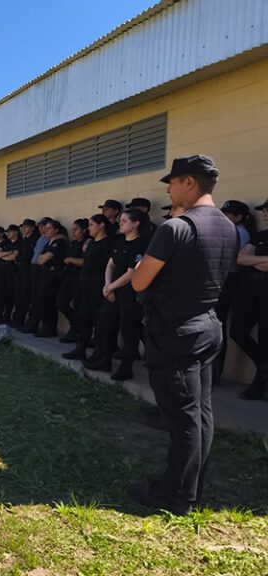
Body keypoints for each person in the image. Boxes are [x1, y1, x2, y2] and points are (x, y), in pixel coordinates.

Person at [128, 155, 238, 516]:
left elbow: (140, 280)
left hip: (176, 331)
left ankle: (176, 496)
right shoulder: (227, 226)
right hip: (208, 324)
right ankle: (190, 486)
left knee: (182, 418)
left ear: (189, 183)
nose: (170, 189)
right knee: (200, 413)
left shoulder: (175, 228)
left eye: (172, 183)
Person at [91, 209, 150, 378]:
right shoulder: (119, 241)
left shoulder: (141, 244)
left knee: (128, 330)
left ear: (136, 224)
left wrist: (111, 288)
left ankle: (126, 367)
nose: (120, 223)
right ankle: (104, 359)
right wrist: (108, 286)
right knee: (105, 325)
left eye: (124, 221)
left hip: (129, 294)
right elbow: (110, 264)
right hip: (113, 291)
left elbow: (132, 273)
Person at [213, 200, 255, 387]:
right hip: (224, 279)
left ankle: (214, 373)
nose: (224, 216)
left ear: (238, 217)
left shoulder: (240, 232)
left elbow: (232, 259)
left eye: (228, 214)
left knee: (216, 327)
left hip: (229, 280)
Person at [230, 198, 268, 399]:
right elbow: (241, 258)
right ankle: (264, 365)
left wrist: (254, 261)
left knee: (265, 338)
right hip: (249, 291)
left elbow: (249, 260)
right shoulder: (259, 236)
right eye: (264, 210)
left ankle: (259, 383)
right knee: (237, 330)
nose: (265, 213)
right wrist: (263, 261)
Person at [62, 215, 113, 361]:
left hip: (98, 288)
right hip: (85, 286)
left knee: (99, 321)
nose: (89, 228)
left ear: (101, 225)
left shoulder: (107, 243)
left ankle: (99, 353)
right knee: (84, 318)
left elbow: (109, 267)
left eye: (91, 225)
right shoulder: (90, 243)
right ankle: (80, 348)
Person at [30, 220, 67, 337]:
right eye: (45, 228)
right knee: (42, 301)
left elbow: (46, 257)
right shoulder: (48, 242)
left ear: (56, 230)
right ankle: (45, 327)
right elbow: (39, 258)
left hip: (53, 276)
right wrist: (43, 258)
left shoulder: (59, 241)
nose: (46, 230)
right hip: (44, 274)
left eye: (49, 228)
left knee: (48, 302)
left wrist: (43, 258)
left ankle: (49, 329)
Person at [58, 218, 89, 343]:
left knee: (78, 307)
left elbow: (86, 262)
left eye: (76, 229)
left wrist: (71, 260)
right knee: (61, 303)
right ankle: (74, 324)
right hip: (68, 277)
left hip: (80, 279)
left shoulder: (86, 244)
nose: (73, 232)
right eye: (72, 230)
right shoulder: (73, 243)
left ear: (84, 230)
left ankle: (75, 331)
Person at [20, 218, 52, 332]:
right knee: (33, 297)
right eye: (40, 226)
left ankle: (34, 324)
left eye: (44, 226)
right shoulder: (41, 238)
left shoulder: (51, 239)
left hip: (41, 268)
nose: (41, 228)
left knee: (38, 298)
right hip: (33, 268)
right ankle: (30, 323)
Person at [11, 219, 38, 328]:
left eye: (26, 227)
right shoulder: (23, 240)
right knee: (17, 295)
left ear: (32, 228)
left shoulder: (34, 240)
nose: (24, 229)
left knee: (24, 297)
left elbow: (29, 256)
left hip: (27, 270)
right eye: (23, 227)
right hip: (20, 269)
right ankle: (16, 318)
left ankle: (21, 320)